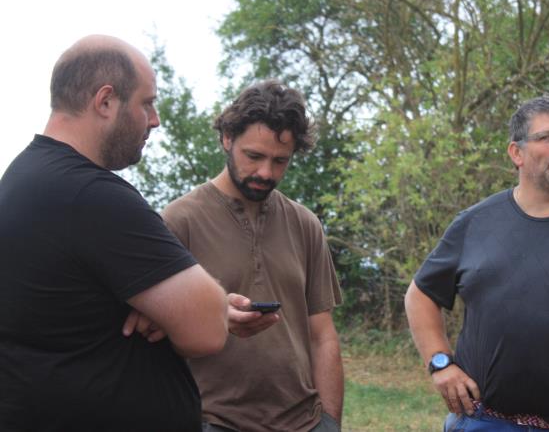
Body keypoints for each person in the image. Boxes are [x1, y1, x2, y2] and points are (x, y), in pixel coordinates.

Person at [0, 35, 228, 432]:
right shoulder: (90, 195)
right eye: (147, 103)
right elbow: (208, 329)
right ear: (105, 101)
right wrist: (178, 313)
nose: (155, 119)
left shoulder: (22, 178)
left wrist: (161, 308)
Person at [404, 96, 549, 431]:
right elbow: (420, 295)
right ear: (516, 153)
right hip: (483, 421)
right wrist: (440, 364)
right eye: (547, 137)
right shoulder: (475, 223)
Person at [162, 80, 343, 432]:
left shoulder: (305, 224)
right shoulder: (178, 221)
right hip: (213, 420)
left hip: (304, 422)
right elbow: (155, 331)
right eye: (254, 156)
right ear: (227, 139)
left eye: (280, 161)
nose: (266, 173)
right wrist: (215, 315)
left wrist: (330, 423)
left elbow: (322, 336)